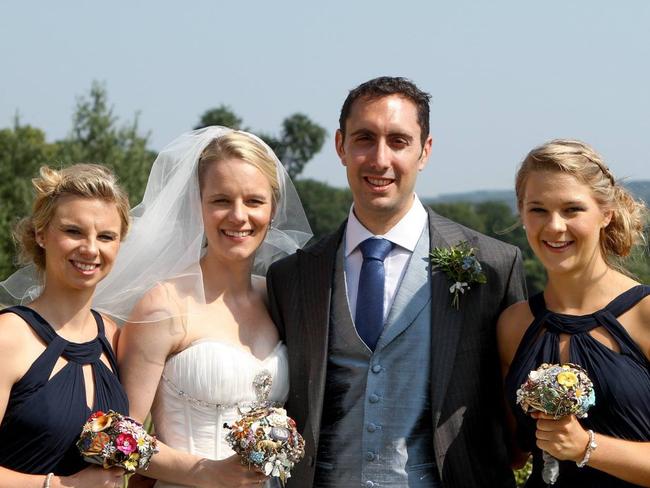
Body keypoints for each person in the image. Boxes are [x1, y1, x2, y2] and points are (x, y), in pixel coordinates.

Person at [266, 76, 527, 488]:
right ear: (341, 146)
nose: (379, 159)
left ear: (425, 151)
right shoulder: (291, 277)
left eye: (399, 141)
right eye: (364, 139)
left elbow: (515, 418)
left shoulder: (493, 266)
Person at [95, 127, 311, 488]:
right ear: (198, 206)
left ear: (272, 210)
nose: (238, 216)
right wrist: (206, 472)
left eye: (254, 201)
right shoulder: (163, 306)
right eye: (221, 200)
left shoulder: (276, 299)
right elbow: (119, 439)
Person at [499, 139, 650, 487]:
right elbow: (510, 452)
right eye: (538, 209)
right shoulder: (513, 326)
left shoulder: (645, 315)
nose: (554, 226)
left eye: (572, 210)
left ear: (606, 213)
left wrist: (587, 447)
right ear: (522, 213)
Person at [0, 164, 130, 488]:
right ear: (41, 234)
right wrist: (61, 486)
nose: (90, 248)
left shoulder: (113, 338)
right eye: (74, 231)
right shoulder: (9, 336)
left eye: (106, 236)